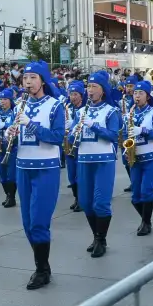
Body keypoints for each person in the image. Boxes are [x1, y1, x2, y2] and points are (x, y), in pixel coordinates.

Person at [8, 61, 65, 291]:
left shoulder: (54, 105)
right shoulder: (18, 106)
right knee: (27, 223)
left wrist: (30, 125)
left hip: (45, 167)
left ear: (43, 81)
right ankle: (43, 265)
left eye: (33, 78)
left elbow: (57, 136)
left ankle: (41, 270)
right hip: (23, 167)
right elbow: (15, 139)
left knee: (39, 221)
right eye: (25, 78)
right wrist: (9, 135)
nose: (28, 82)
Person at [70, 70, 121, 258]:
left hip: (103, 160)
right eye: (88, 87)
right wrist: (73, 133)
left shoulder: (111, 111)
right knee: (85, 201)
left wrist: (93, 126)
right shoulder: (80, 111)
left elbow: (113, 136)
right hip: (84, 159)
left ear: (103, 91)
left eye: (94, 87)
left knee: (101, 202)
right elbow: (71, 135)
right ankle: (96, 235)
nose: (90, 90)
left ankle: (101, 238)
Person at [122, 80, 153, 236]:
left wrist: (143, 131)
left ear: (148, 96)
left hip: (152, 156)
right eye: (135, 93)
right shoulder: (129, 114)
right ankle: (146, 219)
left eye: (140, 93)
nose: (137, 96)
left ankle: (146, 222)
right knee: (135, 197)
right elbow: (125, 135)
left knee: (146, 191)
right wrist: (126, 148)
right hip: (135, 158)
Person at [65, 82, 85, 212]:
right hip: (69, 144)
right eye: (71, 94)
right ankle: (76, 197)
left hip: (81, 145)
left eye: (75, 94)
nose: (72, 97)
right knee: (71, 174)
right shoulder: (67, 108)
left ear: (81, 96)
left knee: (80, 174)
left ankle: (82, 200)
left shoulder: (85, 109)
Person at [0, 88, 18, 208]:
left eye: (5, 99)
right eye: (1, 99)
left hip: (12, 146)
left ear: (10, 100)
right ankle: (7, 195)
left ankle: (12, 196)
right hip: (0, 147)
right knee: (2, 174)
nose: (2, 102)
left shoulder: (14, 113)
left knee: (11, 174)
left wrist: (5, 125)